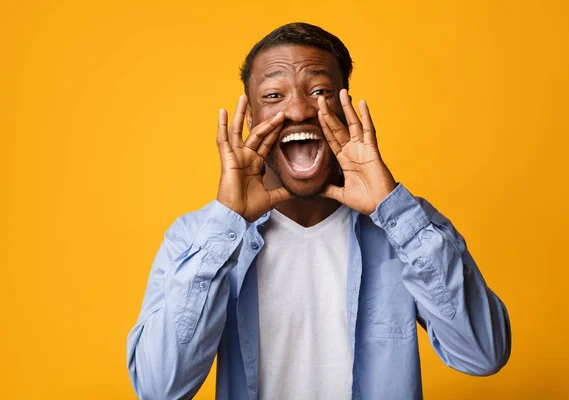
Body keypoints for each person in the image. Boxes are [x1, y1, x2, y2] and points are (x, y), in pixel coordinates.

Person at [126, 22, 511, 400]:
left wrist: (394, 210)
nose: (298, 109)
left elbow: (482, 355)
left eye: (320, 90)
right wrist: (226, 223)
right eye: (274, 96)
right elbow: (160, 389)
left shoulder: (407, 226)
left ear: (345, 107)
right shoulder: (196, 237)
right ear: (252, 119)